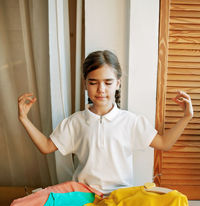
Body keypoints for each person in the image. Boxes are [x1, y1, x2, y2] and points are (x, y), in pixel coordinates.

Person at [18, 50, 193, 194]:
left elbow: (164, 143)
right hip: (84, 196)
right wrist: (24, 119)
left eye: (108, 83)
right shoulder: (75, 122)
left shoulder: (131, 122)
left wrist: (186, 117)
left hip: (121, 197)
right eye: (93, 82)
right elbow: (47, 146)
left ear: (117, 83)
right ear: (85, 84)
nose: (101, 90)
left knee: (173, 200)